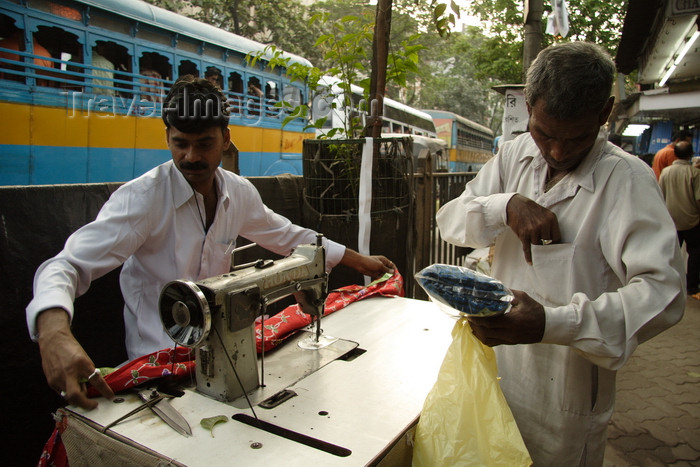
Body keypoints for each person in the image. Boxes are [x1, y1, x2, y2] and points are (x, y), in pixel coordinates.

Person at [26, 75, 395, 411]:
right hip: (159, 368)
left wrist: (358, 261)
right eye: (180, 144)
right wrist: (54, 331)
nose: (191, 157)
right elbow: (67, 266)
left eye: (204, 143)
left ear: (226, 138)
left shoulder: (238, 193)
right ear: (167, 138)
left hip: (221, 354)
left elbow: (286, 236)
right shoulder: (142, 200)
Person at [435, 42, 685, 466]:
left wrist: (552, 322)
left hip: (564, 395)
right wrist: (505, 205)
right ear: (530, 106)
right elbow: (452, 222)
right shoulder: (515, 154)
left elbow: (663, 294)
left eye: (577, 138)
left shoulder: (626, 180)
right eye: (545, 133)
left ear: (605, 113)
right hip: (499, 369)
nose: (557, 151)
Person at [659, 141, 700, 295]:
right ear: (691, 154)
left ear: (674, 154)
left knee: (669, 255)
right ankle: (691, 286)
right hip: (691, 221)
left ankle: (669, 286)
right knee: (695, 252)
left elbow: (660, 196)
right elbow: (698, 199)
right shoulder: (695, 174)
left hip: (671, 220)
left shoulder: (666, 172)